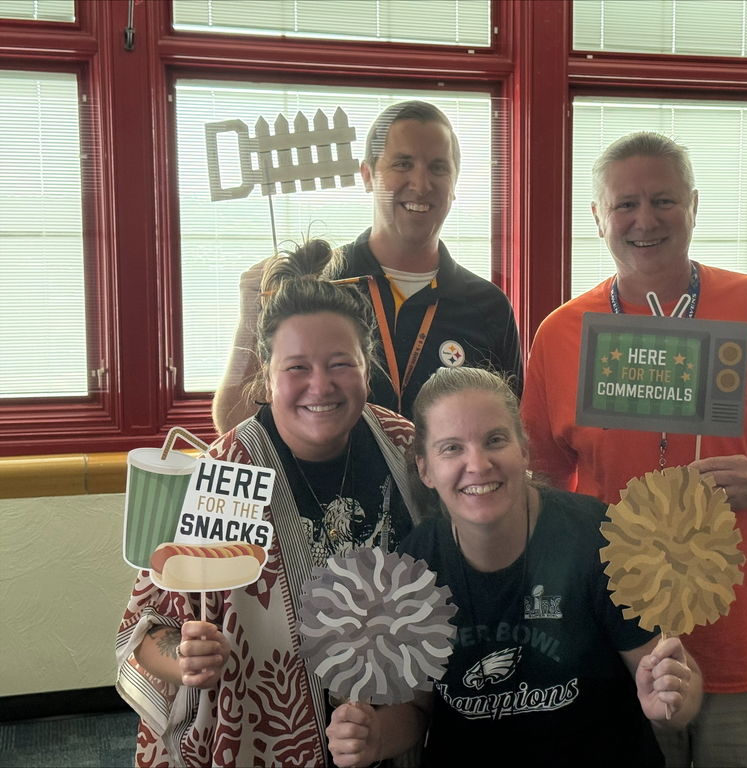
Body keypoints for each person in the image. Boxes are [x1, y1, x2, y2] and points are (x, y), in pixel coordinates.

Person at [520, 132, 747, 767]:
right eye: (624, 205)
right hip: (622, 639)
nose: (644, 220)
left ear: (694, 207)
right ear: (597, 218)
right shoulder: (561, 335)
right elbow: (542, 482)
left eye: (664, 200)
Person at [116, 240, 423, 767]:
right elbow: (144, 634)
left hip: (391, 726)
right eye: (297, 367)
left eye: (340, 363)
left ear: (366, 365)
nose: (320, 386)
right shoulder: (226, 472)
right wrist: (185, 658)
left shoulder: (403, 445)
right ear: (266, 369)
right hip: (261, 738)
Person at [326, 366, 703, 768]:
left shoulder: (602, 539)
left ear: (523, 448)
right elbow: (419, 709)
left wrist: (670, 700)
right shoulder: (414, 567)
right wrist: (375, 738)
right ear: (425, 469)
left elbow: (680, 688)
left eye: (495, 439)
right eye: (451, 448)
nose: (478, 463)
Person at [213, 100, 522, 432]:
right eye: (402, 164)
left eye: (438, 167)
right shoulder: (318, 286)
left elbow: (506, 434)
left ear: (455, 182)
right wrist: (250, 320)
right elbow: (234, 425)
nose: (421, 184)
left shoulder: (488, 307)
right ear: (367, 175)